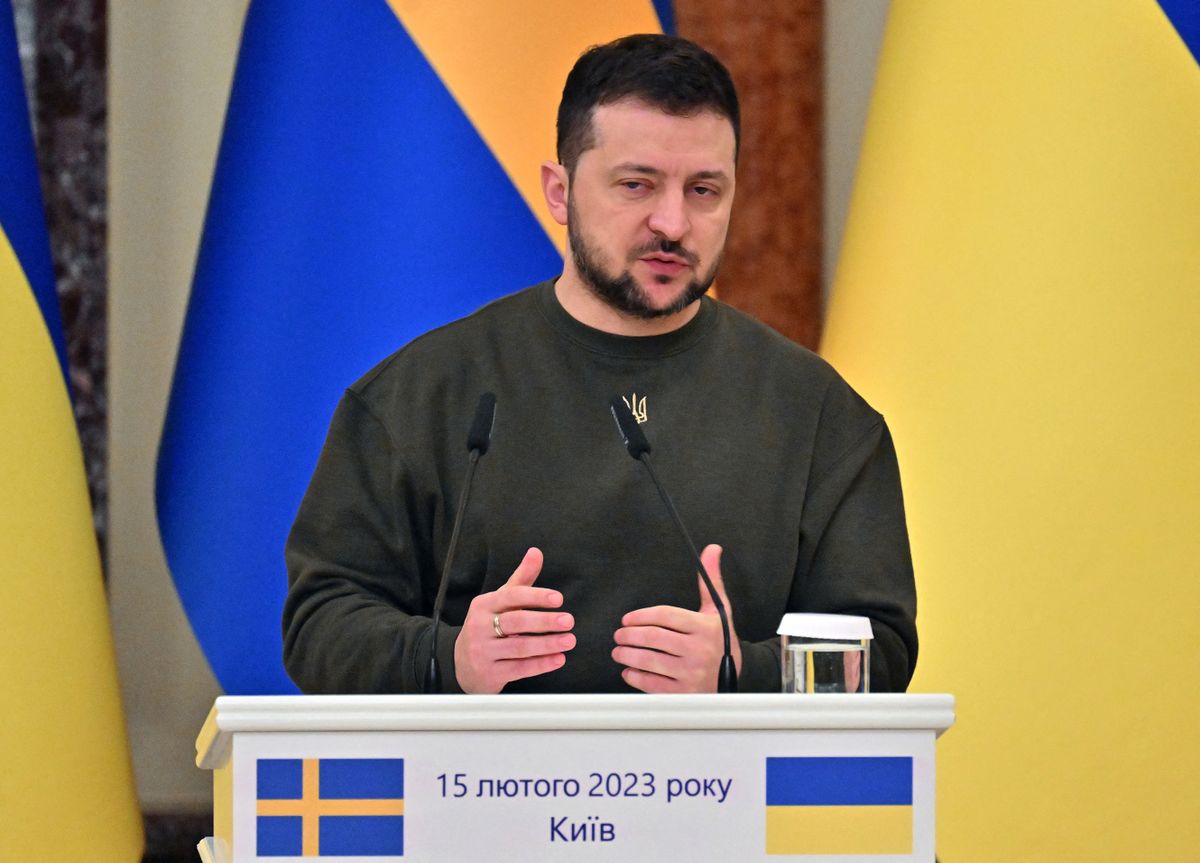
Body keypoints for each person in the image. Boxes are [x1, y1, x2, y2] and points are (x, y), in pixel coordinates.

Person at [283, 34, 917, 695]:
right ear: (559, 193)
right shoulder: (419, 396)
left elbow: (882, 649)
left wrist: (742, 671)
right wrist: (447, 658)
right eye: (636, 184)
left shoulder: (818, 415)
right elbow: (319, 624)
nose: (672, 222)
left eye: (704, 190)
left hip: (728, 795)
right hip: (477, 793)